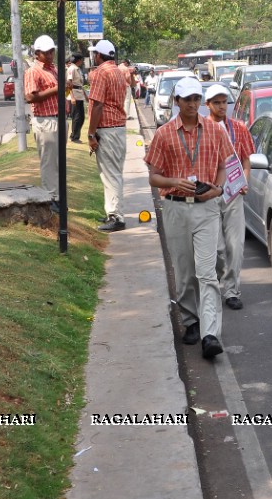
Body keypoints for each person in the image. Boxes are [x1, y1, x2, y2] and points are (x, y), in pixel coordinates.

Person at [145, 77, 234, 360]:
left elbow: (223, 165)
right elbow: (153, 176)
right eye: (188, 99)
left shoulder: (216, 130)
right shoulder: (164, 134)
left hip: (206, 207)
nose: (193, 104)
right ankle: (191, 321)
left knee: (206, 272)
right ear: (177, 102)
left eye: (197, 98)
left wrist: (218, 189)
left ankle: (210, 334)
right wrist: (174, 181)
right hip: (175, 207)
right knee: (184, 273)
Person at [205, 84, 255, 310]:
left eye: (224, 102)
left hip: (233, 194)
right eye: (216, 102)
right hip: (209, 195)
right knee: (217, 248)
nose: (222, 106)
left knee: (236, 245)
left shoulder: (238, 128)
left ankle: (232, 290)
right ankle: (218, 282)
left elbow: (246, 159)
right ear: (208, 105)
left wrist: (244, 179)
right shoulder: (201, 129)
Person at [86, 40, 128, 232]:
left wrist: (91, 133)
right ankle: (112, 211)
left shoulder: (101, 73)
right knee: (114, 173)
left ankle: (116, 216)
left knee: (110, 174)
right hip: (119, 127)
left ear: (98, 55)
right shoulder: (119, 71)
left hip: (107, 128)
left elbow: (97, 105)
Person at [24, 35, 61, 211]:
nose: (50, 54)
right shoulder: (33, 71)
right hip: (45, 120)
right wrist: (56, 89)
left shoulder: (53, 69)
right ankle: (50, 197)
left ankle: (57, 196)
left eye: (52, 51)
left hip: (57, 118)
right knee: (48, 161)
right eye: (46, 52)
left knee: (57, 161)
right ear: (37, 53)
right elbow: (30, 96)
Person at [67, 54, 87, 142]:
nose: (82, 62)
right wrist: (72, 97)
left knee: (81, 117)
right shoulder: (72, 68)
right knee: (76, 117)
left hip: (79, 94)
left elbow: (80, 85)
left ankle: (75, 134)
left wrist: (85, 96)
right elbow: (69, 83)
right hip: (74, 94)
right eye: (81, 60)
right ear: (78, 60)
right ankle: (74, 137)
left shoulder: (78, 69)